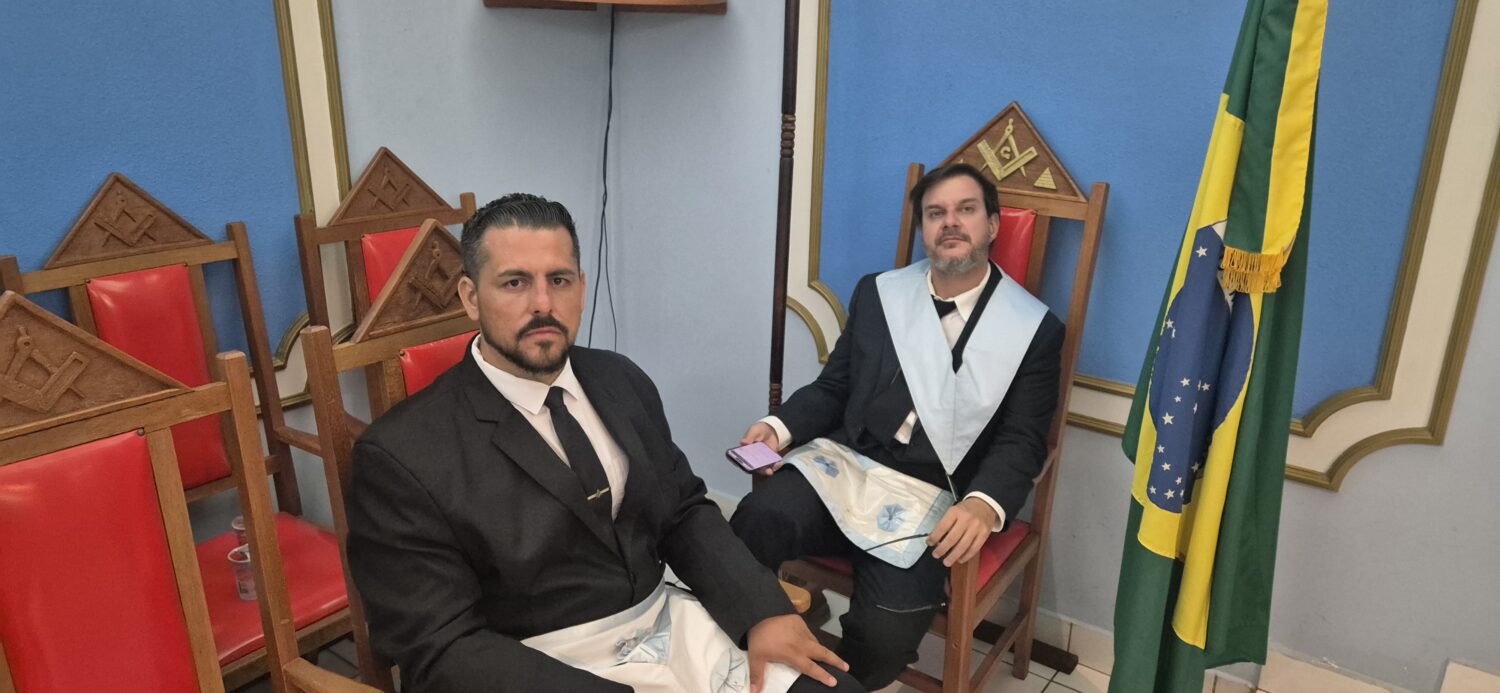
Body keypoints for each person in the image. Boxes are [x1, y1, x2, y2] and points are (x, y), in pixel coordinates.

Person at [346, 193, 862, 693]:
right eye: (515, 282)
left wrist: (760, 610)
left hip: (671, 625)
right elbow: (439, 647)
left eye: (559, 280)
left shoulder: (620, 380)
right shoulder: (401, 455)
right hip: (537, 663)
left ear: (582, 287)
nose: (543, 304)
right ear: (470, 297)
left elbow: (682, 511)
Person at [730, 163, 1064, 690]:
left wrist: (984, 504)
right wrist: (780, 426)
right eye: (935, 213)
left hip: (938, 497)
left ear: (993, 225)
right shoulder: (879, 293)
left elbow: (1022, 440)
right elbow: (835, 387)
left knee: (884, 636)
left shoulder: (1033, 330)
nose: (949, 222)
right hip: (849, 466)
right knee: (755, 519)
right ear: (922, 229)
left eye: (965, 210)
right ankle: (736, 664)